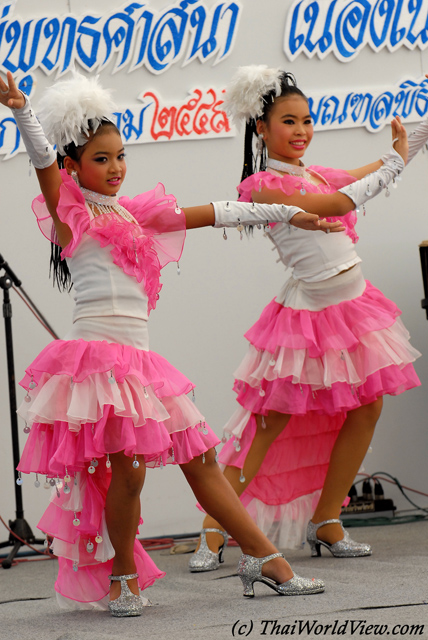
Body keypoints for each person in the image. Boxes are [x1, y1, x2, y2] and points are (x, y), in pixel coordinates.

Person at [0, 70, 349, 616]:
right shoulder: (73, 214)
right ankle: (122, 576)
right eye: (101, 159)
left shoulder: (135, 214)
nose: (116, 169)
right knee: (129, 472)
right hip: (96, 362)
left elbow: (220, 212)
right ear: (74, 166)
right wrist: (22, 110)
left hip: (140, 363)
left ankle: (263, 559)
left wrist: (289, 211)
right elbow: (44, 161)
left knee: (202, 458)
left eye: (120, 157)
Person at [189, 65, 421, 572]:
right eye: (289, 121)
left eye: (307, 120)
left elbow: (380, 168)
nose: (302, 131)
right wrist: (391, 166)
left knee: (367, 409)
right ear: (262, 128)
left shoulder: (313, 173)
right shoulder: (261, 186)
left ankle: (327, 520)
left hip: (355, 306)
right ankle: (217, 525)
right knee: (270, 423)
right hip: (308, 317)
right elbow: (342, 200)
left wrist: (406, 145)